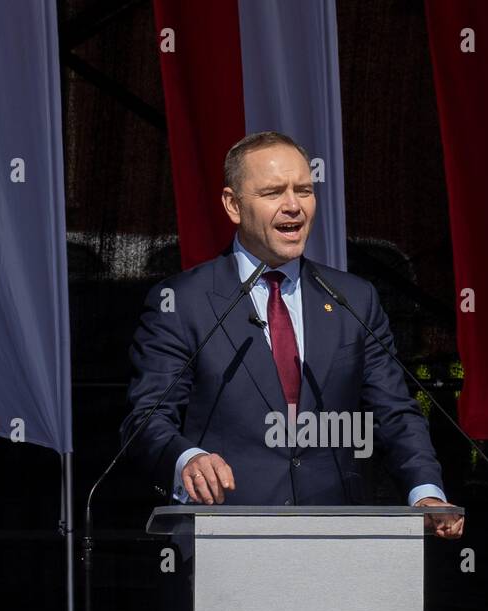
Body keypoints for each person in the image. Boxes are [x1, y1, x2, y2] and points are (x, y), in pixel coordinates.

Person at [121, 130, 463, 539]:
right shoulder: (182, 303)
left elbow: (395, 411)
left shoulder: (353, 298)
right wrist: (187, 459)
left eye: (304, 190)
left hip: (336, 540)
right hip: (223, 539)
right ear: (233, 205)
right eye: (272, 192)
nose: (293, 206)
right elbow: (147, 419)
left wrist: (424, 491)